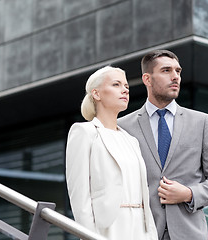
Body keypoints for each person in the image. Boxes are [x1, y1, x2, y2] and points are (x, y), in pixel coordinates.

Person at [118, 50, 208, 240]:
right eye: (166, 70)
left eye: (178, 71)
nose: (175, 77)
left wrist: (188, 193)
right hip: (141, 233)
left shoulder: (200, 122)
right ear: (147, 79)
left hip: (189, 233)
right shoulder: (123, 127)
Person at [65, 66, 158, 240]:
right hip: (108, 228)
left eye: (126, 87)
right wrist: (88, 235)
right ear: (96, 94)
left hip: (140, 228)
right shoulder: (84, 132)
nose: (124, 90)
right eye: (116, 84)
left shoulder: (131, 141)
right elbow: (79, 195)